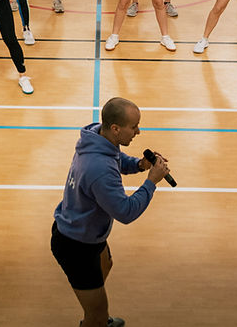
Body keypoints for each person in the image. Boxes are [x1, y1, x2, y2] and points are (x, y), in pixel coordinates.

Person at [51, 97, 170, 327]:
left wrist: (139, 164)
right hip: (76, 246)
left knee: (106, 264)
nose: (138, 131)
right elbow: (125, 212)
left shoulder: (98, 137)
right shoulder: (99, 169)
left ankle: (92, 302)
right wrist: (151, 181)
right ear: (116, 128)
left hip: (86, 233)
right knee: (96, 314)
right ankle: (94, 318)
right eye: (133, 127)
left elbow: (116, 157)